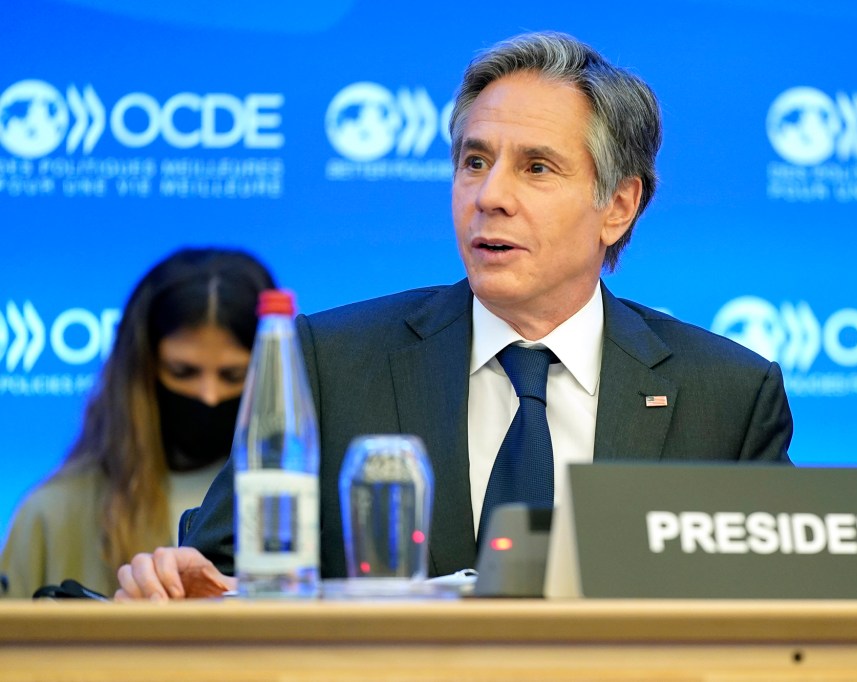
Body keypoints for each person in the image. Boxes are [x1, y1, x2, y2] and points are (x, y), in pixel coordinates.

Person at [115, 32, 793, 601]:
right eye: (474, 161)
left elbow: (782, 616)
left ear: (617, 205)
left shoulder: (725, 397)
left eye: (536, 168)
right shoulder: (328, 362)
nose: (489, 196)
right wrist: (171, 584)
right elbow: (219, 582)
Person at [0, 248, 276, 598]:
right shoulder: (53, 514)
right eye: (183, 372)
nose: (209, 395)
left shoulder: (305, 508)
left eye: (233, 375)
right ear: (142, 371)